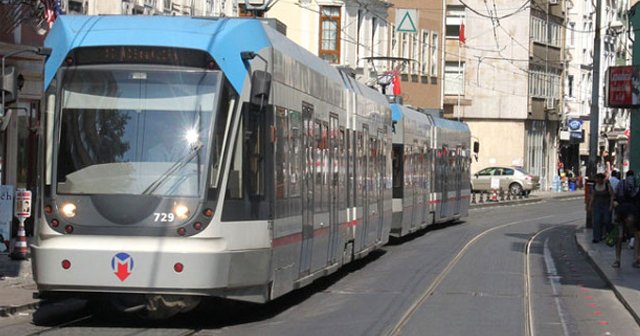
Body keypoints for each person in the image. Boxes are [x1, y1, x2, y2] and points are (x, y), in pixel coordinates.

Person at [588, 173, 614, 243]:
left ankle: (608, 233)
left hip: (606, 205)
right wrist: (590, 206)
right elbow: (592, 196)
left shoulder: (607, 186)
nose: (598, 180)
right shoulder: (594, 186)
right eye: (597, 178)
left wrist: (611, 206)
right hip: (597, 206)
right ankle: (596, 237)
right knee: (596, 221)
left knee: (607, 220)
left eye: (599, 178)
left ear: (602, 179)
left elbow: (612, 196)